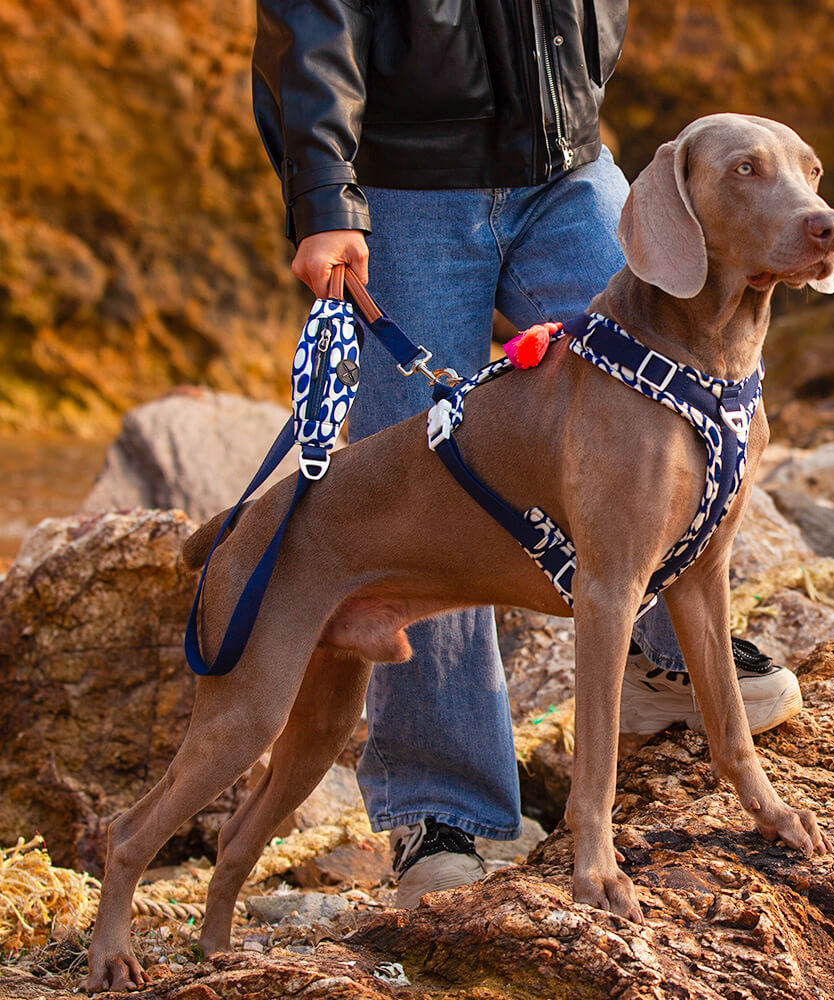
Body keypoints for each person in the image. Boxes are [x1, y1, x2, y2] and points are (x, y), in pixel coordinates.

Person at [251, 0, 802, 906]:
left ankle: (665, 662)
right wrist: (322, 196)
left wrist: (574, 77)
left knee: (696, 388)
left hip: (568, 171)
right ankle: (445, 811)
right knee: (430, 498)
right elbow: (310, 22)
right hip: (405, 188)